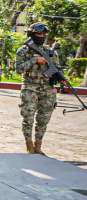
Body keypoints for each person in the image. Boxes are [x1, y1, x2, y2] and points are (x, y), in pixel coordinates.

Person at [15, 23, 64, 155]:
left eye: (43, 34)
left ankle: (38, 146)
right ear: (31, 35)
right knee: (28, 118)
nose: (42, 36)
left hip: (47, 90)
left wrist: (61, 77)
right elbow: (18, 69)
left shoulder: (50, 51)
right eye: (38, 34)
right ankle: (29, 146)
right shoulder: (23, 51)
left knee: (43, 119)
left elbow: (57, 68)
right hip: (30, 88)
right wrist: (35, 60)